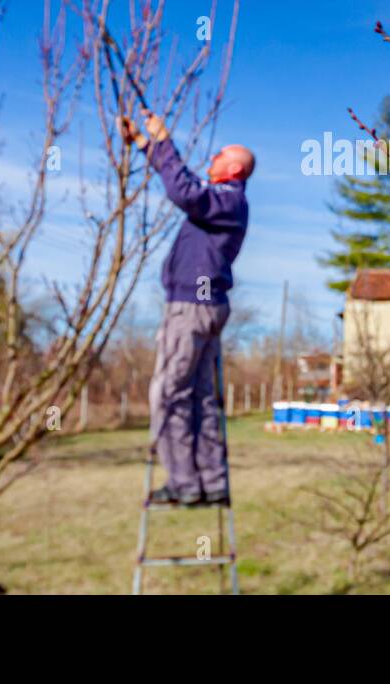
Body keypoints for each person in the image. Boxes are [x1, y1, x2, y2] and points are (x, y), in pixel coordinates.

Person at [117, 112, 254, 506]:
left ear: (233, 167)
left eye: (218, 157)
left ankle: (185, 484)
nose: (210, 160)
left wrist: (163, 140)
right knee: (199, 397)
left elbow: (185, 192)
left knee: (169, 395)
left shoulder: (227, 199)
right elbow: (186, 185)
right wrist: (146, 144)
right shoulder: (221, 201)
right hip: (203, 306)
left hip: (191, 307)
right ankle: (211, 484)